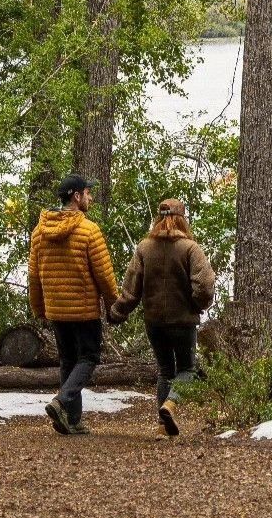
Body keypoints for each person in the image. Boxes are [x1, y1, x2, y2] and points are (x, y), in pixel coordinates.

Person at [109, 198, 215, 435]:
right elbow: (205, 285)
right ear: (182, 219)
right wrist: (198, 304)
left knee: (165, 370)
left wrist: (117, 312)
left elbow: (131, 289)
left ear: (158, 218)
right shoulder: (190, 248)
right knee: (187, 368)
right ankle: (170, 404)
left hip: (154, 322)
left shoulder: (144, 247)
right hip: (183, 321)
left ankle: (161, 427)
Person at [28, 174, 119, 435]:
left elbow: (34, 276)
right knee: (89, 357)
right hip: (84, 308)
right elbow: (104, 274)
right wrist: (115, 304)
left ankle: (71, 419)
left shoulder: (39, 232)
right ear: (76, 197)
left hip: (57, 309)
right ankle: (62, 400)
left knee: (68, 360)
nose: (90, 197)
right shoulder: (89, 230)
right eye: (88, 193)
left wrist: (39, 308)